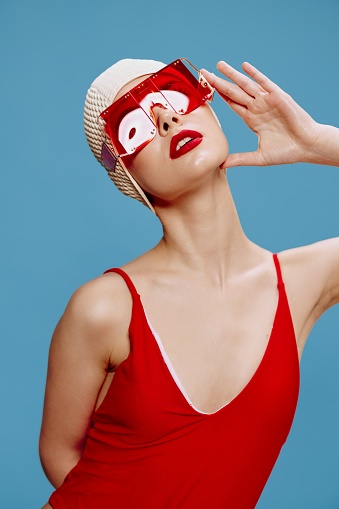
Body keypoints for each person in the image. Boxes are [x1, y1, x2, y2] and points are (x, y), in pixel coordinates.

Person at [39, 56, 339, 509]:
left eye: (174, 93)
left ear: (212, 110)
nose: (165, 117)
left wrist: (318, 143)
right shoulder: (104, 308)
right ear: (127, 175)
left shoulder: (302, 282)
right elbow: (60, 455)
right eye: (132, 127)